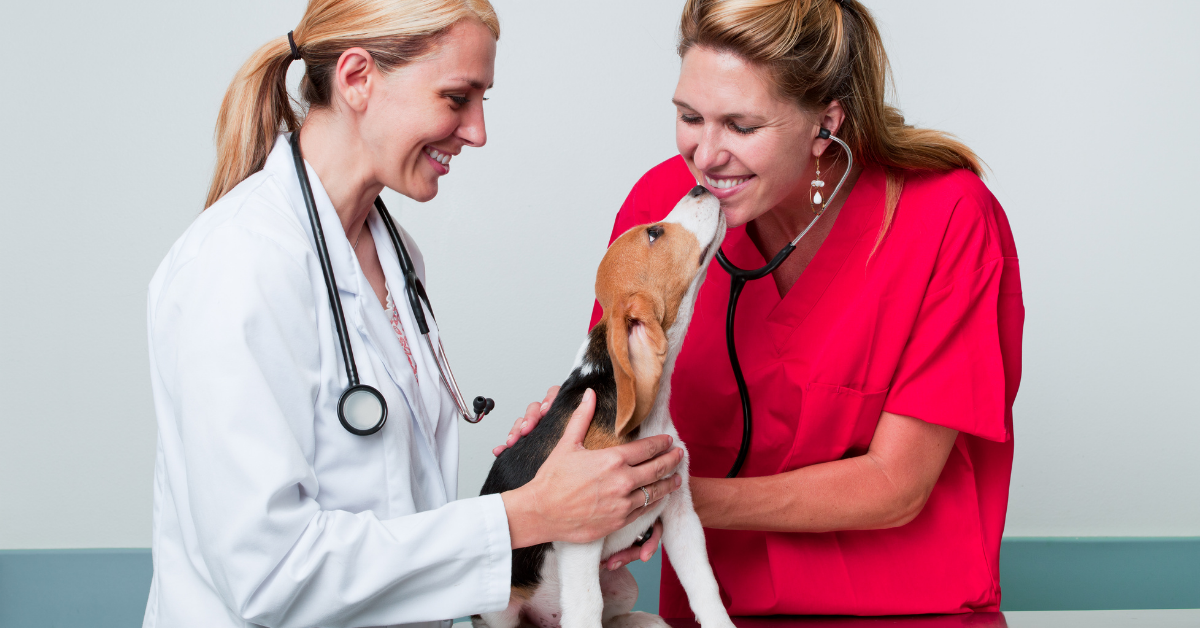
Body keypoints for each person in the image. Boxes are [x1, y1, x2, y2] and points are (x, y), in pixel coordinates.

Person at [143, 2, 684, 627]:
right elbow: (269, 574)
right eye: (457, 97)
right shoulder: (235, 268)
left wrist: (561, 496)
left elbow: (397, 512)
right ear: (356, 79)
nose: (478, 130)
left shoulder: (398, 259)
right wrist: (530, 514)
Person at [497, 0, 1023, 616]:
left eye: (742, 127)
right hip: (711, 605)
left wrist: (656, 496)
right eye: (690, 116)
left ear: (825, 124)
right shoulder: (664, 211)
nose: (705, 155)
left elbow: (895, 485)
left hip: (908, 608)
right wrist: (561, 457)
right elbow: (621, 401)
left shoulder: (946, 219)